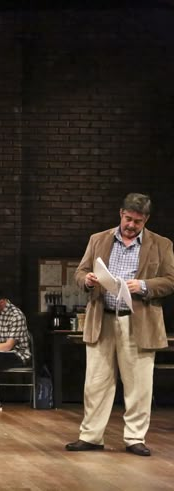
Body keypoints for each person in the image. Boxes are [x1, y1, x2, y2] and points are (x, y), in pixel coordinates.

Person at [65, 193, 174, 457]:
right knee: (96, 382)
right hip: (102, 317)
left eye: (138, 221)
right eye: (128, 219)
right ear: (120, 213)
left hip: (138, 321)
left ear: (145, 219)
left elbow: (171, 280)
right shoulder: (99, 239)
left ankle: (135, 438)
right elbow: (79, 272)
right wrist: (88, 280)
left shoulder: (161, 244)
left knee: (139, 384)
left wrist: (145, 285)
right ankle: (91, 436)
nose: (131, 225)